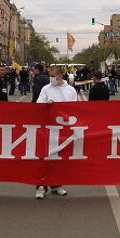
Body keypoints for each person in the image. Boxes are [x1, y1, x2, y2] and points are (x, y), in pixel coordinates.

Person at [35, 65, 77, 199]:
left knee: (59, 159)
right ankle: (41, 186)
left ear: (60, 76)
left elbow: (75, 108)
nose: (50, 78)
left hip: (63, 129)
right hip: (47, 128)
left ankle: (57, 184)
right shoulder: (46, 89)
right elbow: (38, 103)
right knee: (44, 157)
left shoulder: (70, 90)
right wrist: (46, 103)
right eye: (50, 76)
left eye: (53, 76)